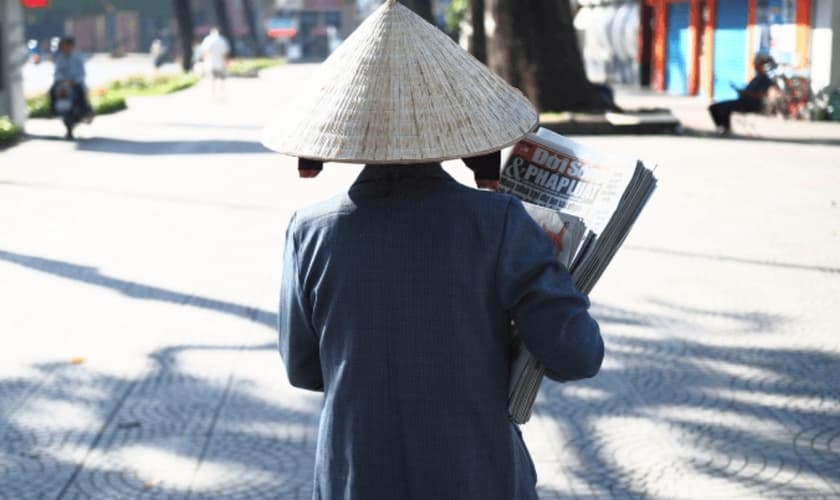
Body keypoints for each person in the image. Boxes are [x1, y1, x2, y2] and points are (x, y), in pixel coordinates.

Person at [263, 2, 604, 499]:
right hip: (474, 476)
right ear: (457, 126)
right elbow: (577, 354)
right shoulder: (501, 224)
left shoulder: (310, 231)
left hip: (354, 479)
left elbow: (303, 368)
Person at [708, 53, 776, 135]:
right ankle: (722, 127)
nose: (754, 65)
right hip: (744, 101)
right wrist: (741, 92)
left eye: (756, 64)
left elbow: (761, 95)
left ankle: (726, 129)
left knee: (724, 108)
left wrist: (746, 93)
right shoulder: (757, 77)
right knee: (713, 107)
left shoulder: (764, 79)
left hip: (752, 104)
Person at [50, 36, 93, 121]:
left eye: (68, 46)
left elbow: (82, 72)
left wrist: (74, 81)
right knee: (52, 91)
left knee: (81, 93)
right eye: (64, 46)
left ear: (72, 46)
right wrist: (63, 81)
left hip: (76, 82)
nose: (66, 48)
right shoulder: (60, 57)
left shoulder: (78, 57)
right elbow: (57, 72)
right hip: (62, 82)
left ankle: (85, 112)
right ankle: (53, 110)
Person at [198, 28, 230, 98]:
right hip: (220, 63)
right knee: (221, 79)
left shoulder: (207, 40)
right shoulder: (222, 40)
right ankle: (220, 93)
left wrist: (204, 62)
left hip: (210, 63)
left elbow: (204, 53)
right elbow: (224, 54)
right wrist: (226, 63)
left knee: (212, 79)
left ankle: (213, 94)